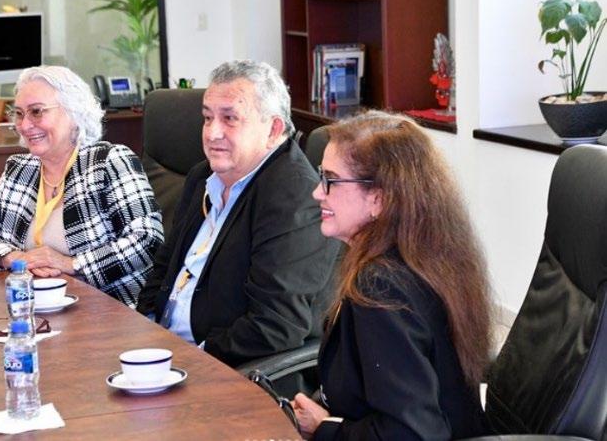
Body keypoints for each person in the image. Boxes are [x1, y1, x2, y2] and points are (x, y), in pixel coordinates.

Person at [292, 111, 492, 440]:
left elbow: (411, 433)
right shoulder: (426, 256)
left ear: (379, 199)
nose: (317, 192)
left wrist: (325, 429)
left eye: (331, 180)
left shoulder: (381, 288)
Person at [137, 60, 340, 367]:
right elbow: (165, 267)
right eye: (208, 118)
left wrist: (192, 359)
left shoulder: (296, 197)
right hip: (164, 350)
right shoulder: (202, 176)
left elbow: (275, 326)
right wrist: (146, 328)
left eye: (230, 118)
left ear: (273, 129)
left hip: (223, 367)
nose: (212, 133)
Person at [0, 66, 164, 308]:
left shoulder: (108, 161)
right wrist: (17, 259)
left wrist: (71, 264)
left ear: (73, 112)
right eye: (19, 114)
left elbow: (147, 239)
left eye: (37, 112)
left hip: (110, 311)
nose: (25, 125)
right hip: (34, 307)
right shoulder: (19, 169)